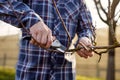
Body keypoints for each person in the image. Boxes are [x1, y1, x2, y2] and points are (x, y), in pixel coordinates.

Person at [0, 0, 95, 80]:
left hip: (65, 74)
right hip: (29, 74)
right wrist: (32, 20)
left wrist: (86, 38)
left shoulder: (79, 1)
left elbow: (88, 28)